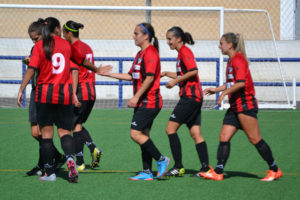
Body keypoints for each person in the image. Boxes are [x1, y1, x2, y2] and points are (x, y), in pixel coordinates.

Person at [199, 32, 282, 181]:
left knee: (255, 139)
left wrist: (223, 94)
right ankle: (218, 172)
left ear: (230, 45)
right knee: (224, 136)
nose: (219, 46)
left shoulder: (238, 60)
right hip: (235, 106)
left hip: (245, 104)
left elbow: (241, 83)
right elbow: (232, 83)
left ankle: (274, 169)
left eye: (221, 43)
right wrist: (216, 89)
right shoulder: (231, 61)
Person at [17, 17, 82, 183]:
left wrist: (21, 89)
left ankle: (50, 173)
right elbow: (77, 65)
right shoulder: (66, 45)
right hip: (64, 95)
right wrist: (95, 69)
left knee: (46, 135)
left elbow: (32, 68)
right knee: (65, 132)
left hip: (45, 94)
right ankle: (70, 159)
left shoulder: (40, 46)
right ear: (57, 29)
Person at [103, 23, 170, 181]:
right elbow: (130, 76)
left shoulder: (151, 53)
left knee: (135, 134)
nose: (133, 36)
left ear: (146, 36)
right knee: (143, 135)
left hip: (150, 101)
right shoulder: (140, 54)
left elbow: (150, 78)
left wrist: (136, 97)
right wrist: (109, 75)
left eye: (136, 33)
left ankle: (161, 159)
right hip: (144, 102)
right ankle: (146, 172)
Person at [161, 26, 210, 177]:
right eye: (167, 39)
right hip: (194, 98)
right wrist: (166, 73)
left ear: (179, 39)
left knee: (170, 129)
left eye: (170, 39)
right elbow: (184, 72)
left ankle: (178, 166)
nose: (168, 42)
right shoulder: (181, 53)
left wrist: (175, 81)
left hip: (190, 98)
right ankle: (206, 169)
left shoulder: (185, 52)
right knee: (196, 133)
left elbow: (193, 71)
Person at [24, 19, 65, 176]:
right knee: (36, 132)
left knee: (43, 131)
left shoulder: (49, 48)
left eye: (36, 38)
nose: (34, 42)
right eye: (32, 39)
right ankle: (57, 156)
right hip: (35, 91)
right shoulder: (36, 48)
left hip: (45, 92)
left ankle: (43, 164)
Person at [63, 20, 103, 171]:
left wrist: (73, 94)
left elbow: (75, 72)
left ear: (68, 33)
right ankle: (90, 151)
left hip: (80, 91)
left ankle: (80, 162)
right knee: (77, 124)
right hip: (91, 91)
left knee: (74, 125)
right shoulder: (87, 47)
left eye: (63, 33)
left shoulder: (72, 48)